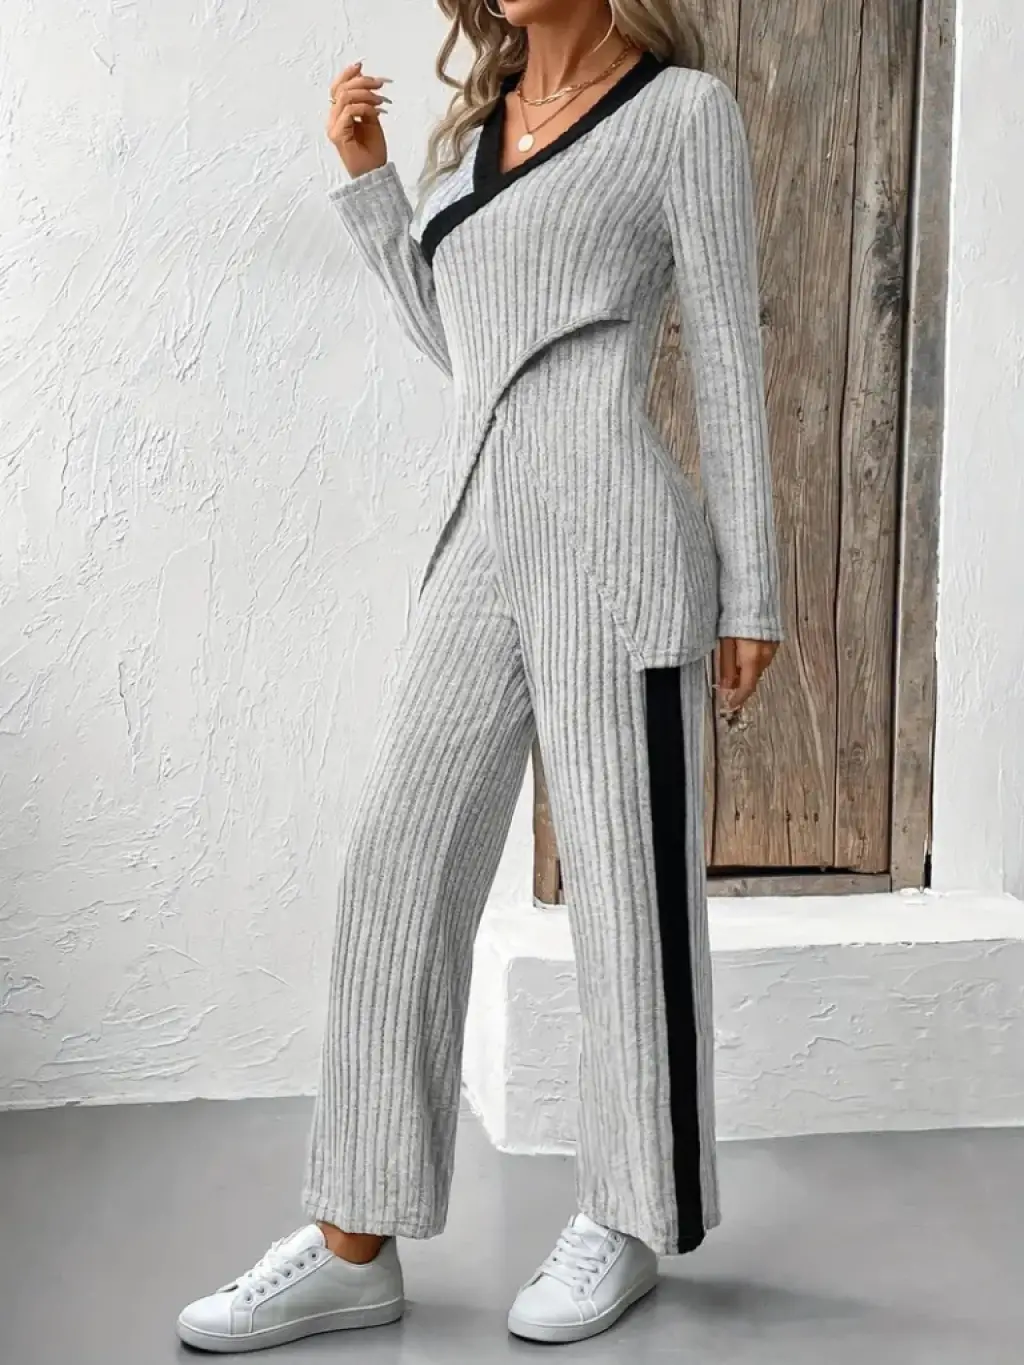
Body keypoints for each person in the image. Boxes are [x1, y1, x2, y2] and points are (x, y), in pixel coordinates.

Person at [175, 0, 782, 1351]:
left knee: (627, 900)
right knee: (397, 863)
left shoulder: (682, 115)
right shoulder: (480, 135)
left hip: (619, 543)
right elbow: (471, 346)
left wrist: (753, 590)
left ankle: (628, 1215)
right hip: (478, 544)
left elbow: (730, 354)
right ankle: (355, 1236)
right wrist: (373, 192)